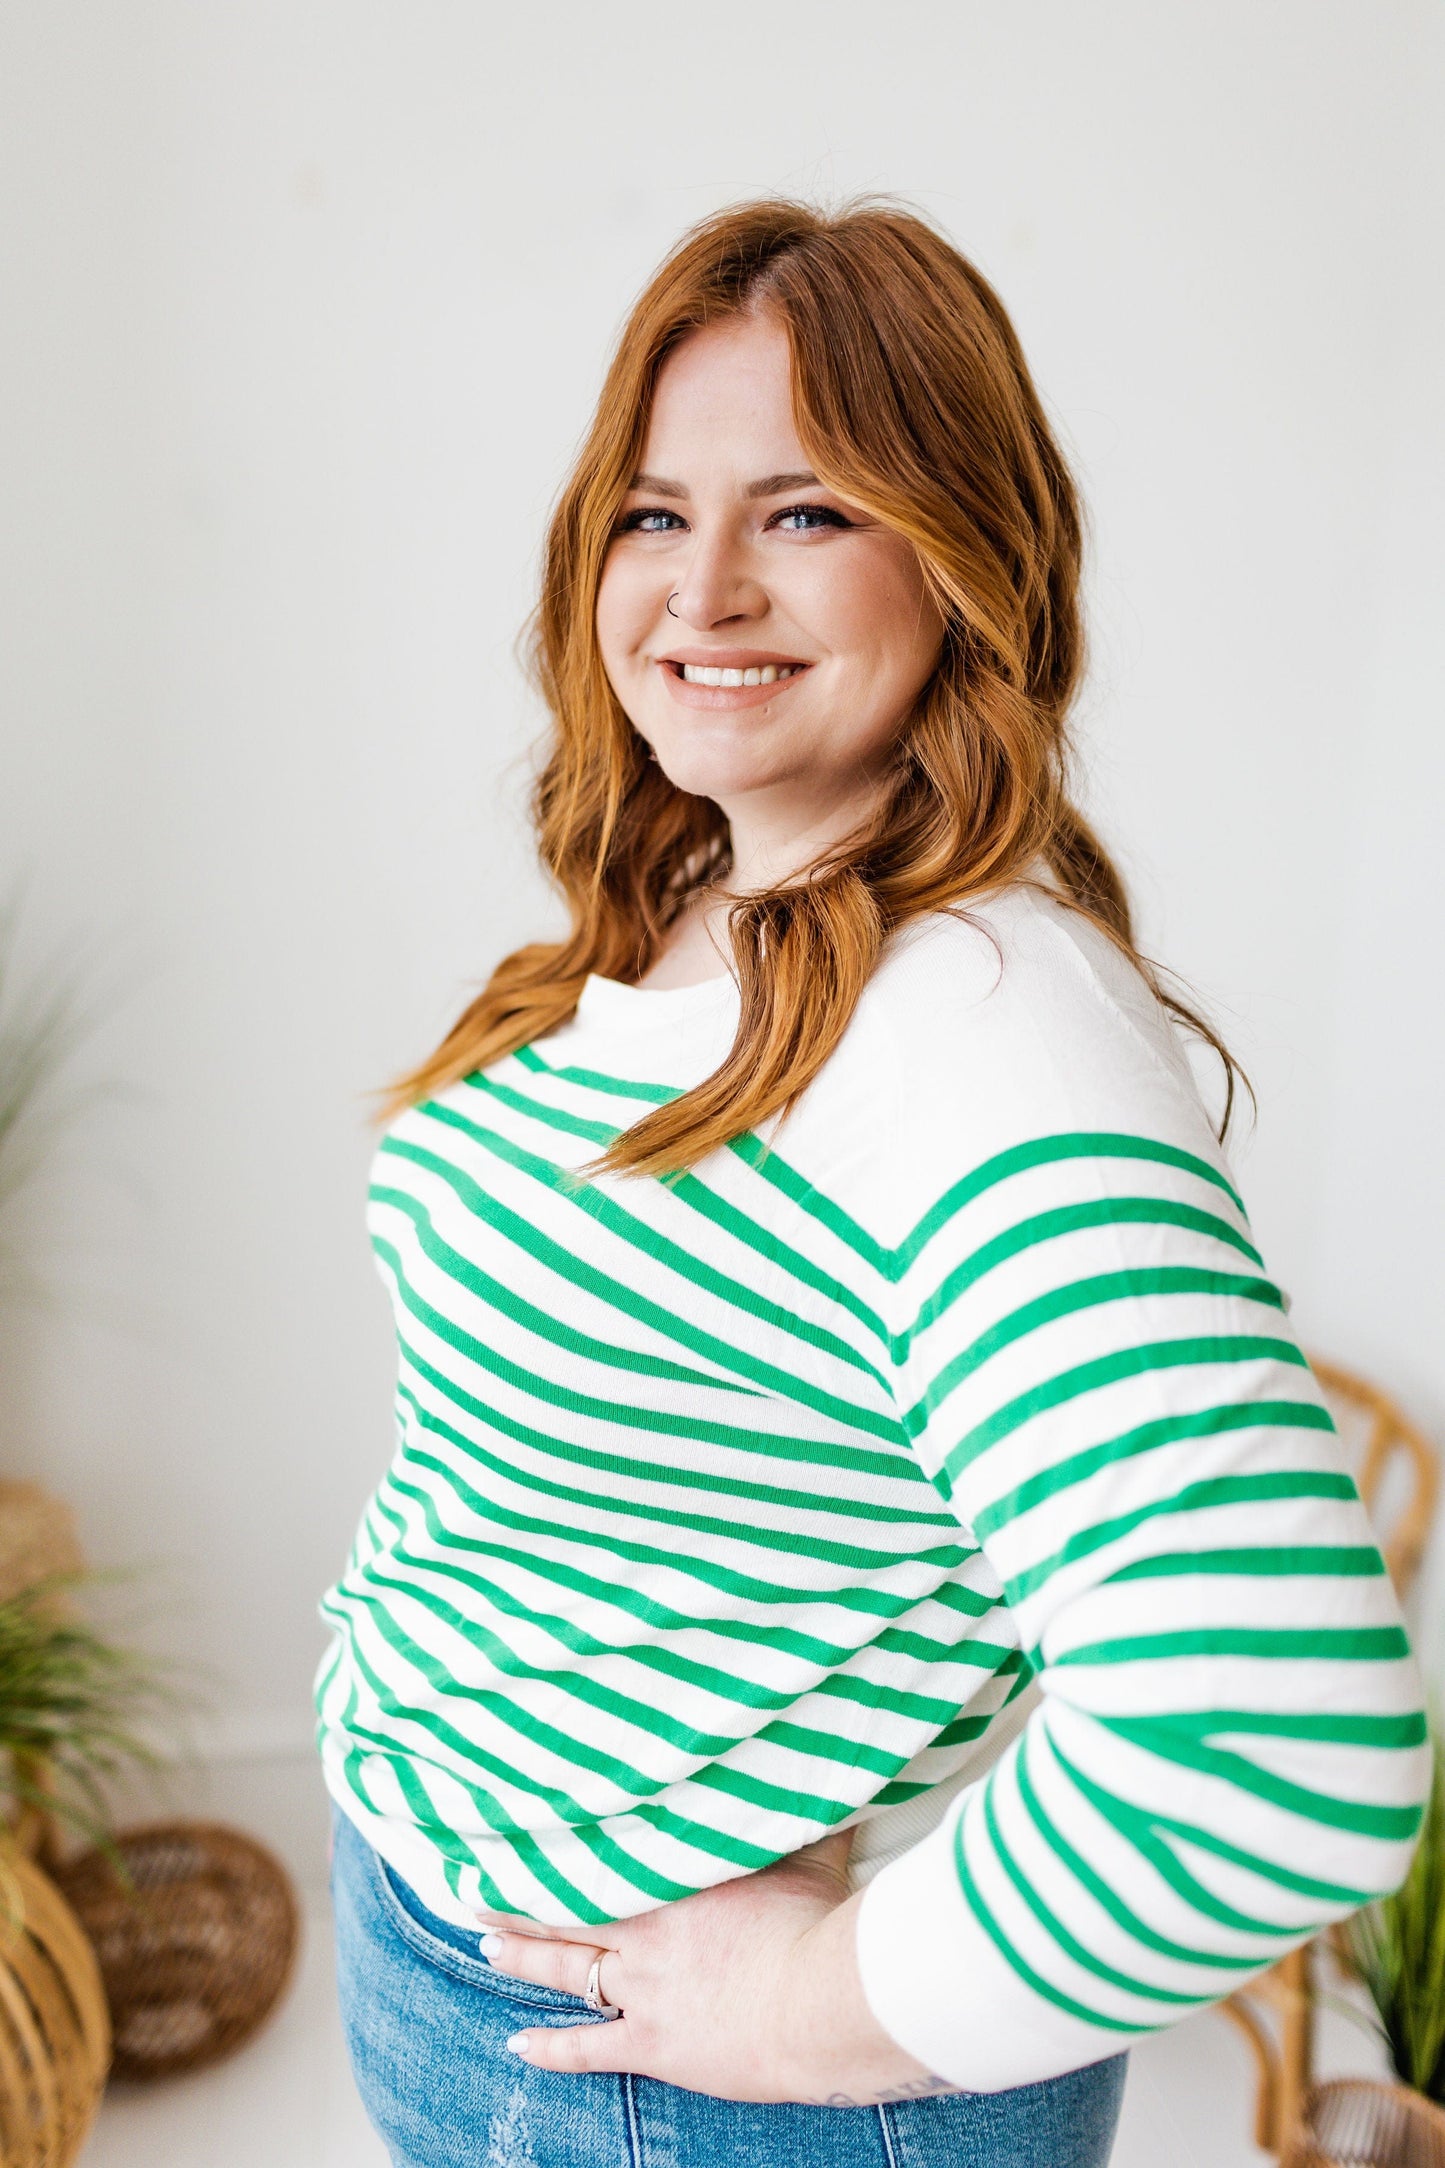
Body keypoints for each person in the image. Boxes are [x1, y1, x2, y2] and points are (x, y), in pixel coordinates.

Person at [314, 195, 1431, 2168]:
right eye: (655, 514)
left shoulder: (984, 1029)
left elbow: (1274, 1746)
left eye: (807, 510)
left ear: (970, 555)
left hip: (690, 2089)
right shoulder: (683, 901)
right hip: (459, 1949)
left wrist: (816, 2007)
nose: (706, 587)